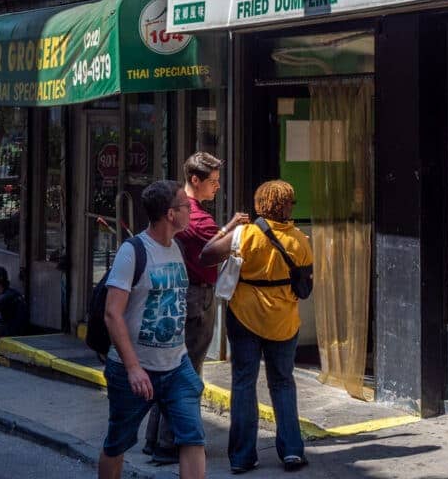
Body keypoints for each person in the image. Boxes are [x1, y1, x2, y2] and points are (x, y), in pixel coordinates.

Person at [201, 180, 313, 475]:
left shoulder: (245, 234)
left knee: (243, 383)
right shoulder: (300, 240)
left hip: (244, 317)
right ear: (287, 205)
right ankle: (291, 451)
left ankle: (241, 457)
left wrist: (227, 228)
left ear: (260, 204)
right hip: (284, 322)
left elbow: (207, 254)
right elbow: (306, 283)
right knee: (283, 383)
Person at [145, 152, 249, 465]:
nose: (217, 187)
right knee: (187, 371)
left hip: (182, 294)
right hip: (195, 296)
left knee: (173, 367)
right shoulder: (194, 218)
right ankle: (171, 441)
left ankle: (158, 440)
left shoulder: (185, 214)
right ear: (195, 180)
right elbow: (213, 251)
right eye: (213, 182)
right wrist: (235, 228)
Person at [98, 180, 205, 479]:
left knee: (193, 438)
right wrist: (133, 369)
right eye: (186, 206)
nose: (191, 212)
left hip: (176, 365)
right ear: (171, 214)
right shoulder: (132, 252)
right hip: (133, 369)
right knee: (117, 444)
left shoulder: (178, 247)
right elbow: (112, 313)